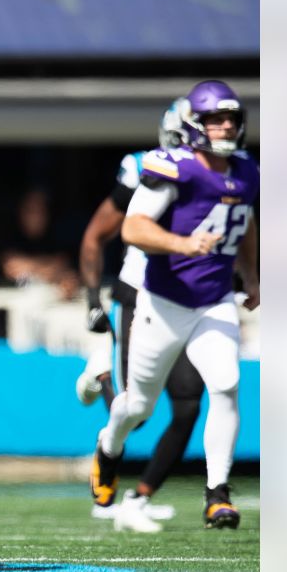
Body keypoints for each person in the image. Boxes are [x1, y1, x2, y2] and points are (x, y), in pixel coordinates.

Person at [90, 80, 259, 531]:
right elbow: (133, 228)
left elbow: (244, 223)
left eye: (230, 118)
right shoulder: (176, 168)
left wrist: (253, 275)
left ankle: (217, 494)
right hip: (162, 303)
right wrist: (183, 243)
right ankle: (108, 447)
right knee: (136, 407)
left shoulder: (246, 172)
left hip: (214, 301)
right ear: (194, 124)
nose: (225, 126)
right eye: (214, 118)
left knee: (225, 383)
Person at [73, 100, 206, 531]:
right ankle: (104, 375)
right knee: (137, 409)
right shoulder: (145, 168)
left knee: (187, 405)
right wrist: (93, 299)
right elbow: (96, 235)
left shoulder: (223, 175)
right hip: (140, 293)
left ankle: (139, 497)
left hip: (188, 298)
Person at [0, 187, 78, 299]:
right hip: (18, 300)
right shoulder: (12, 235)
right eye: (31, 211)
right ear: (21, 212)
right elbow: (10, 267)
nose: (36, 217)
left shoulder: (57, 236)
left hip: (50, 300)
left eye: (40, 210)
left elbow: (63, 266)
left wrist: (27, 266)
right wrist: (48, 266)